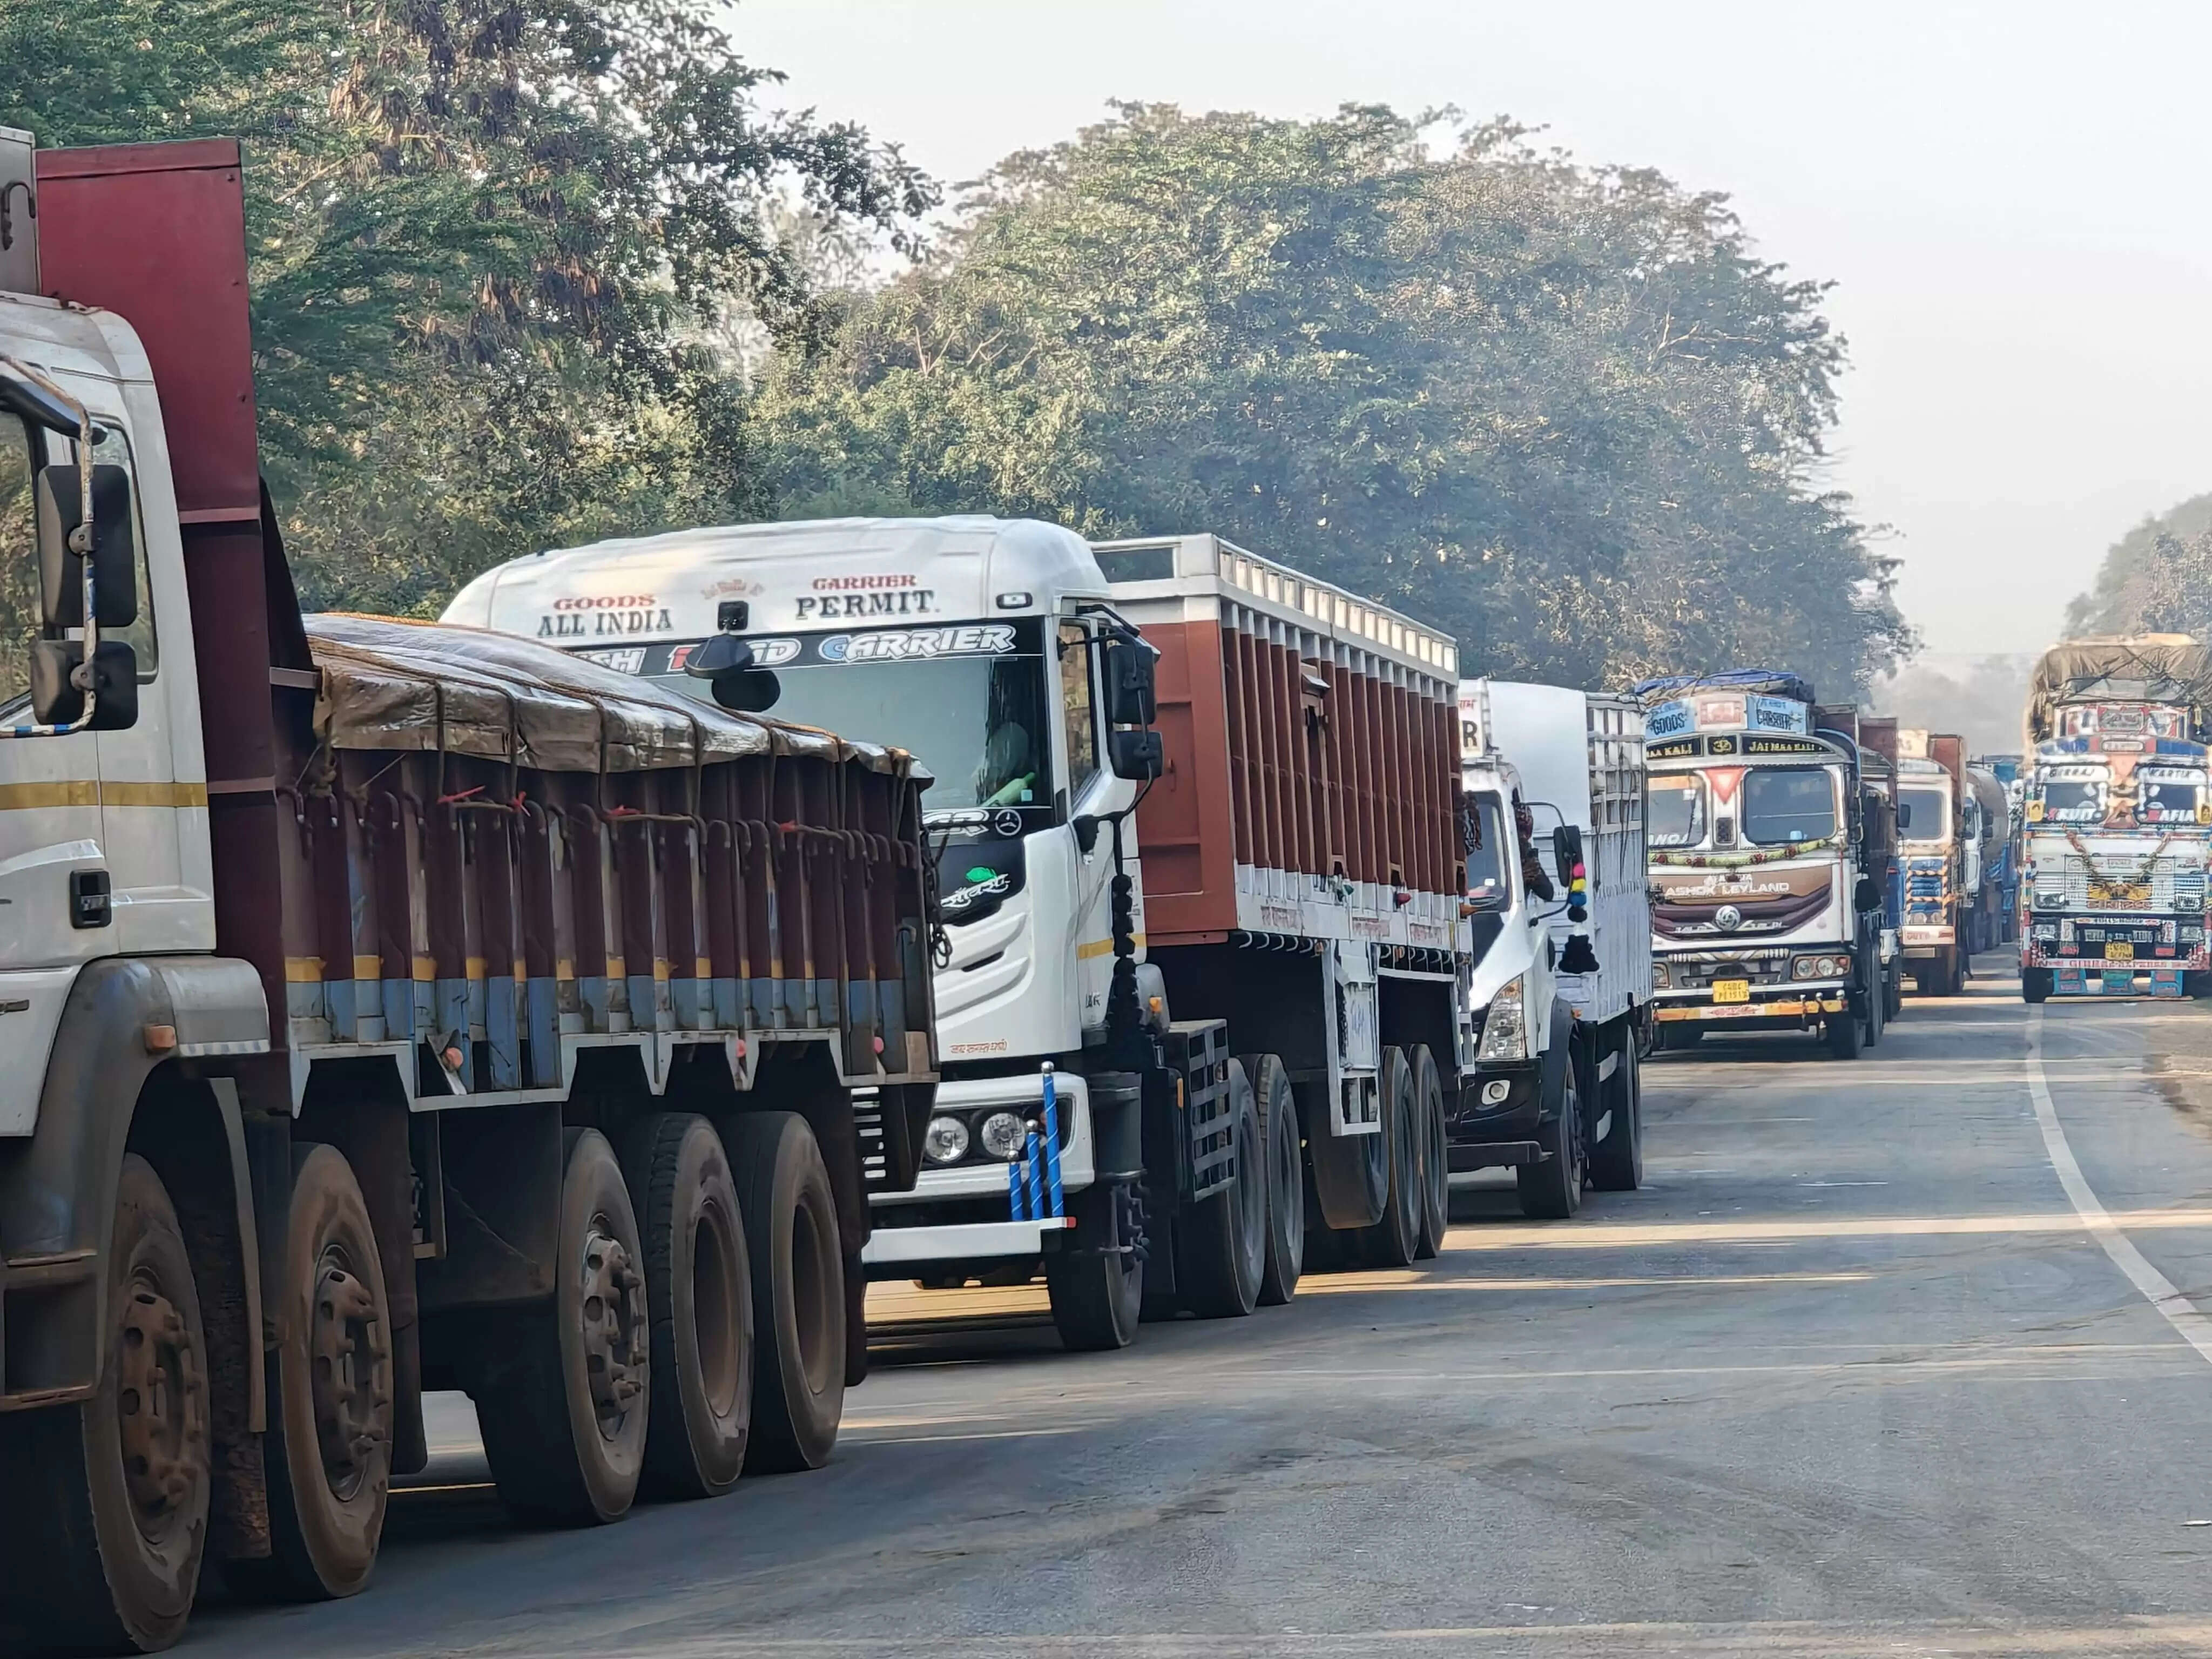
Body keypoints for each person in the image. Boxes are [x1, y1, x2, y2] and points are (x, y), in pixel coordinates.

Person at [1514, 795, 1555, 901]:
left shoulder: (1527, 855)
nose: (1522, 837)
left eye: (1524, 832)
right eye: (1518, 831)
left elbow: (1547, 893)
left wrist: (1530, 874)